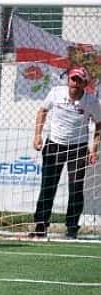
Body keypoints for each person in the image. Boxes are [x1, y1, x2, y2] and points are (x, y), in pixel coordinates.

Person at [29, 66, 101, 239]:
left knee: (75, 188)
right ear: (68, 80)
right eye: (73, 79)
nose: (75, 83)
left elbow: (99, 124)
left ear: (85, 83)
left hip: (78, 148)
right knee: (48, 185)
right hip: (54, 144)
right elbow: (42, 111)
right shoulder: (56, 92)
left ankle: (72, 227)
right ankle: (41, 225)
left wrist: (94, 149)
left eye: (79, 80)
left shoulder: (91, 101)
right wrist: (38, 135)